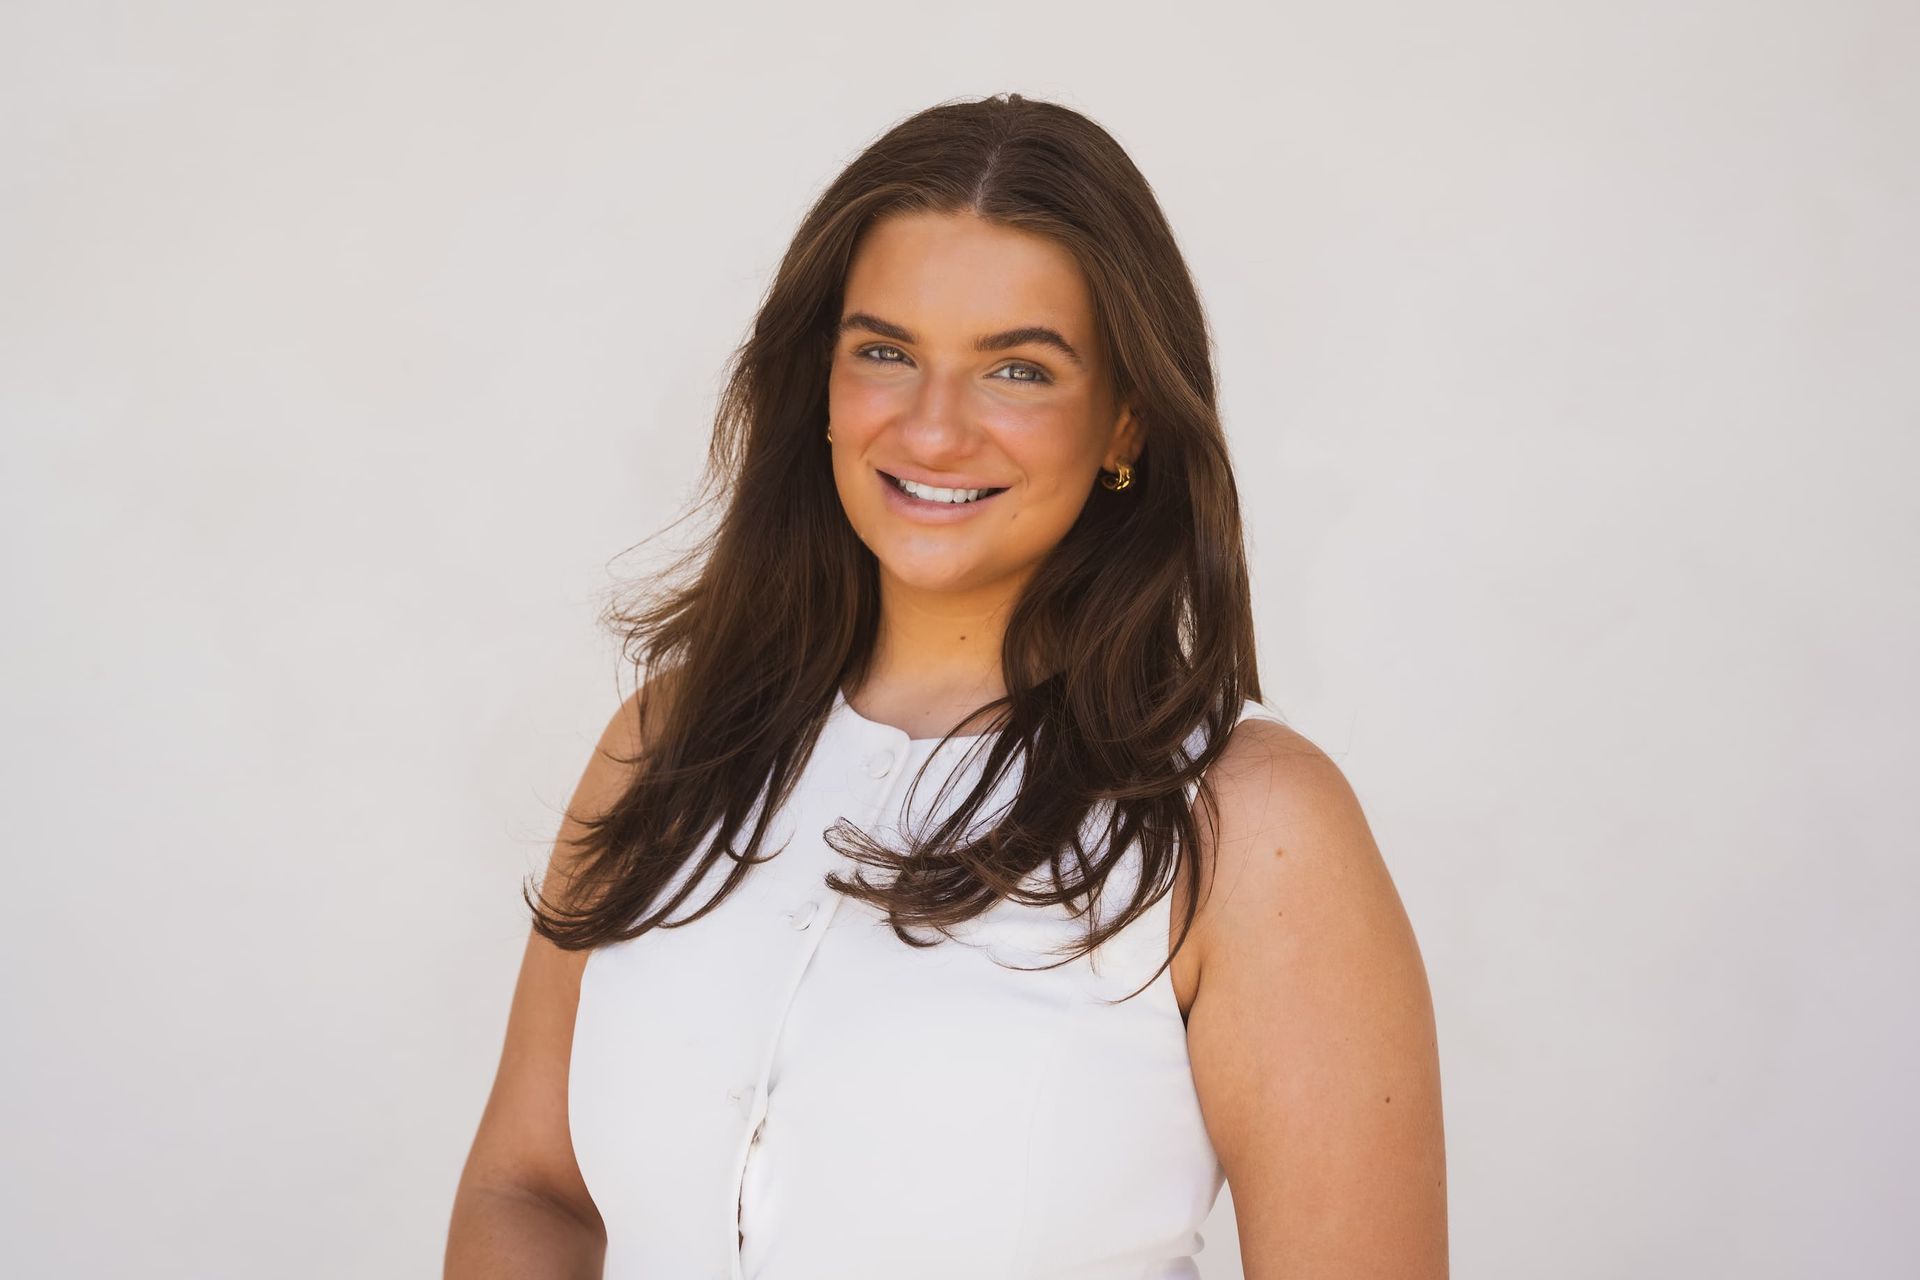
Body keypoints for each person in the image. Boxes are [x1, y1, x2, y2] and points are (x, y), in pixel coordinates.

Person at [445, 92, 1446, 1280]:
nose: (932, 429)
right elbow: (533, 1189)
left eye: (1017, 368)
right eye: (884, 351)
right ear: (817, 385)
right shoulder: (664, 746)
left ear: (1126, 418)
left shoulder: (1249, 828)